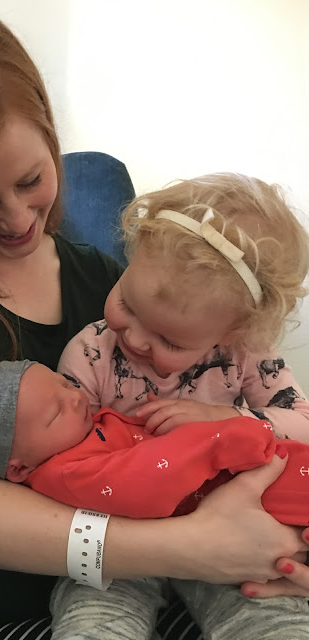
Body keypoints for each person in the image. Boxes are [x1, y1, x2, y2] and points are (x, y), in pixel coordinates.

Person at [0, 2, 308, 640]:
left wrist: (278, 550)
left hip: (136, 581)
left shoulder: (107, 283)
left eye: (32, 179)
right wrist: (196, 547)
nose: (17, 218)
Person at [54, 171, 309, 638]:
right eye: (127, 304)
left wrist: (224, 420)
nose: (133, 338)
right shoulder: (90, 352)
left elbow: (302, 423)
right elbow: (62, 454)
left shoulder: (246, 355)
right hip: (124, 534)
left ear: (230, 334)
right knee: (93, 622)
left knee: (277, 622)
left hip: (232, 529)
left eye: (169, 340)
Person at [0, 358, 309, 640]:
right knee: (96, 619)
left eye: (64, 384)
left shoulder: (89, 427)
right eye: (55, 412)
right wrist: (222, 439)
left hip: (230, 530)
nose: (75, 399)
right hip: (125, 555)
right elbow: (149, 479)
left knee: (271, 617)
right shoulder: (65, 471)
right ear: (19, 469)